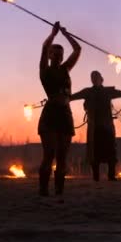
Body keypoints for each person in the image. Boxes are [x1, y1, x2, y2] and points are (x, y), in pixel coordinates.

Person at [70, 71, 121, 181]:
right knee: (95, 153)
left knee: (111, 151)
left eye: (96, 77)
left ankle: (111, 176)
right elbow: (71, 97)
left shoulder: (108, 91)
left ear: (101, 79)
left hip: (107, 127)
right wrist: (57, 98)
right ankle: (96, 177)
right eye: (92, 77)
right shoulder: (87, 92)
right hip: (95, 128)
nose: (94, 79)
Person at [37, 21, 81, 196]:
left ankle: (59, 190)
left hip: (65, 114)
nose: (57, 56)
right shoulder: (44, 71)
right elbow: (44, 46)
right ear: (49, 56)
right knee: (49, 155)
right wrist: (53, 34)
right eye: (54, 54)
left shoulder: (65, 69)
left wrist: (66, 34)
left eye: (59, 54)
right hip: (50, 114)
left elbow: (77, 50)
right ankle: (43, 190)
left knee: (62, 156)